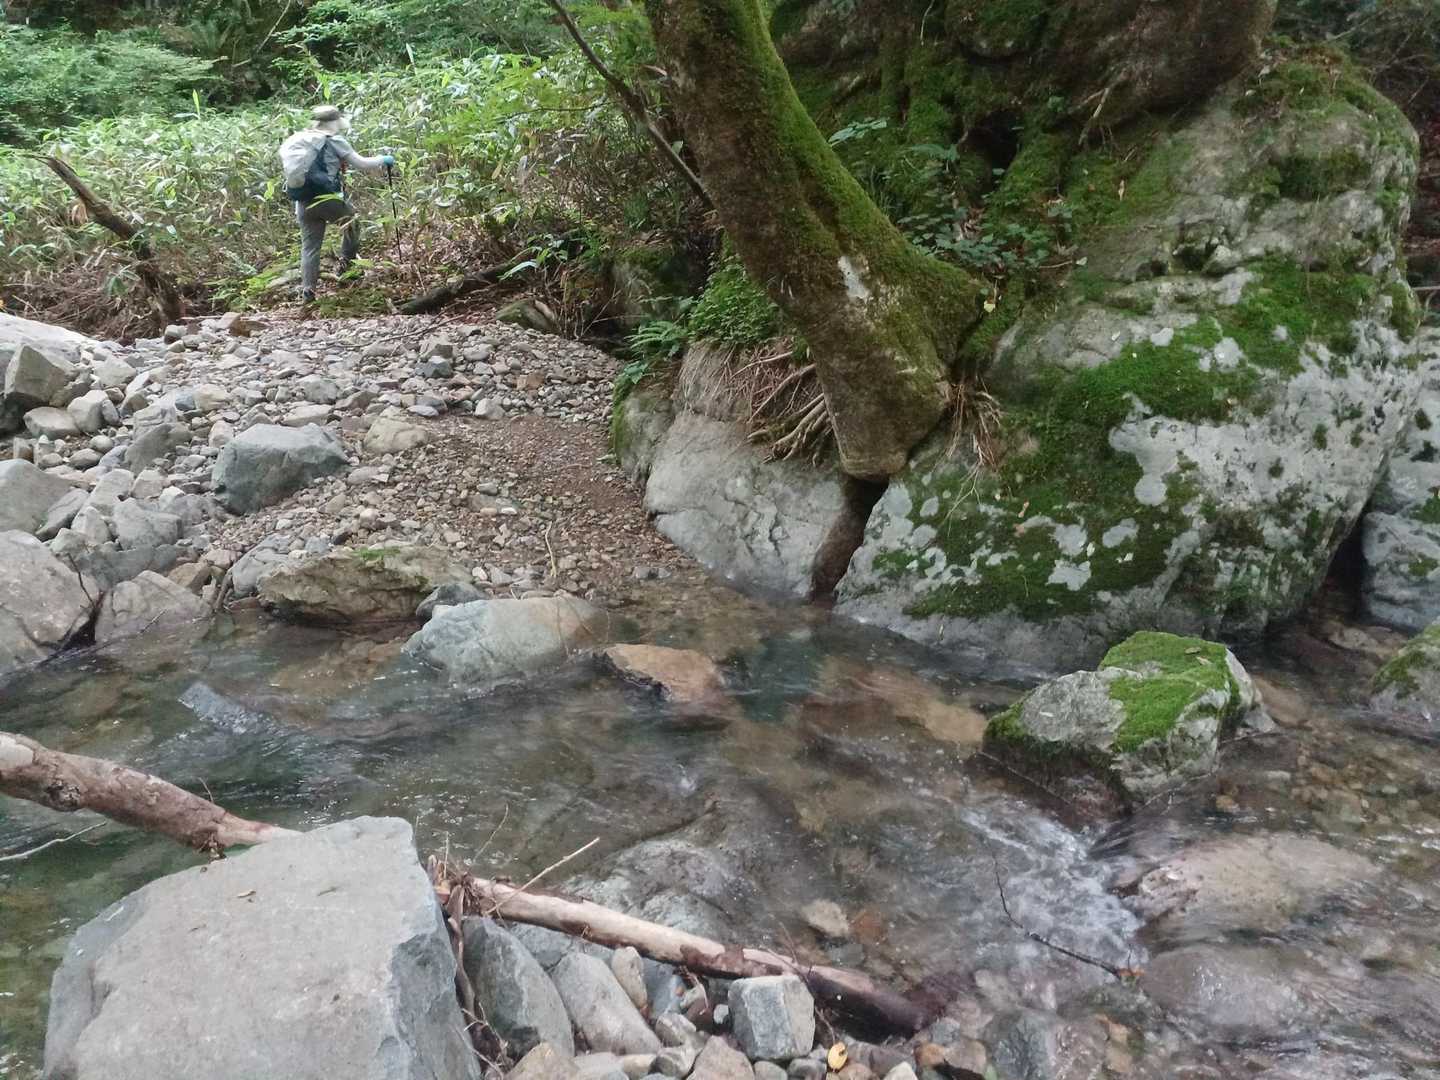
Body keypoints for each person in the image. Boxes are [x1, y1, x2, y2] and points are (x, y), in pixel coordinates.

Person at [278, 105, 395, 304]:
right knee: (353, 225)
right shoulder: (334, 140)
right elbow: (362, 163)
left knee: (310, 247)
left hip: (303, 201)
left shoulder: (301, 140)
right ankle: (346, 266)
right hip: (327, 198)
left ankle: (307, 291)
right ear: (335, 122)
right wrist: (384, 159)